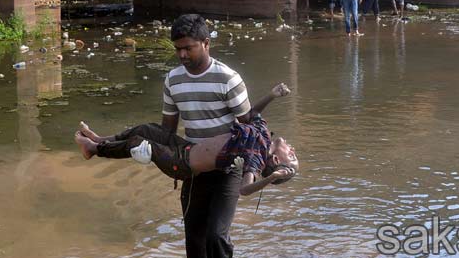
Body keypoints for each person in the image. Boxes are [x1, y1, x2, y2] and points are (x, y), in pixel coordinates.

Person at [114, 14, 247, 258]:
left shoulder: (228, 79)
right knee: (194, 239)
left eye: (188, 48)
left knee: (217, 236)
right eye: (178, 49)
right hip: (192, 168)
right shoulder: (173, 79)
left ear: (206, 43)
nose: (183, 55)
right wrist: (163, 160)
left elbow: (252, 130)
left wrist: (259, 171)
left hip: (230, 167)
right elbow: (168, 131)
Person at [74, 82, 298, 196]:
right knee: (147, 128)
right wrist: (272, 95)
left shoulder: (256, 157)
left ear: (277, 161)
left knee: (139, 143)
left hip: (182, 164)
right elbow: (250, 115)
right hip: (185, 147)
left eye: (292, 156)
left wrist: (271, 178)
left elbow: (244, 189)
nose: (293, 149)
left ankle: (94, 149)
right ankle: (102, 139)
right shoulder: (262, 135)